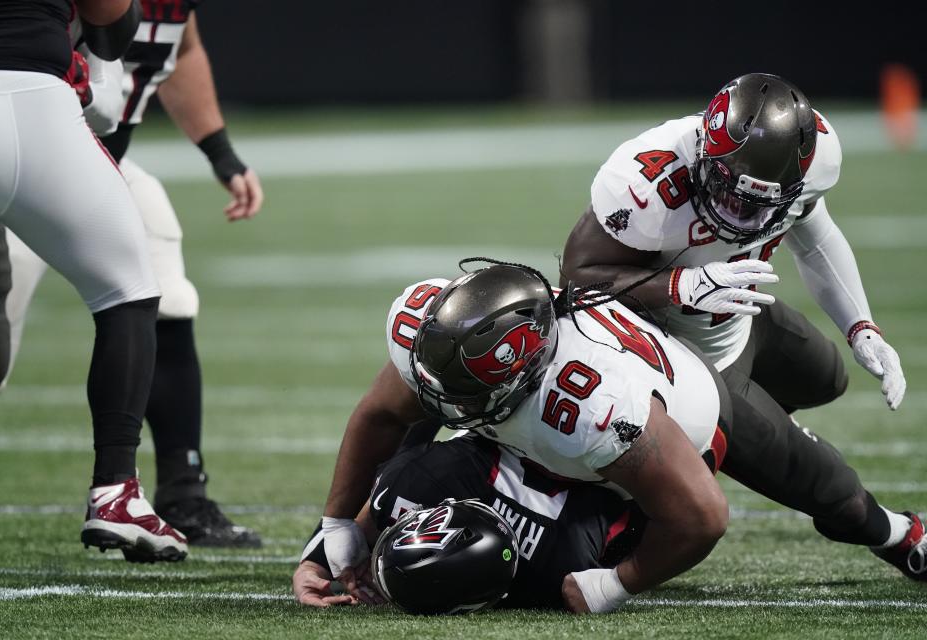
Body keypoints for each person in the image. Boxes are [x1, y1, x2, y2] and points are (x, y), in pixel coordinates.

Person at [560, 72, 922, 578]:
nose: (740, 215)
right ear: (707, 157)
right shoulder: (648, 181)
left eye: (759, 203)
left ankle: (713, 451)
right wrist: (681, 286)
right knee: (832, 488)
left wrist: (862, 326)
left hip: (737, 314)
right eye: (730, 194)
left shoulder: (812, 160)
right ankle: (904, 537)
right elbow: (577, 279)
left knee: (827, 377)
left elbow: (816, 240)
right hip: (683, 360)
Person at [0, 1, 263, 547]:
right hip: (41, 140)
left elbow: (185, 48)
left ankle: (184, 491)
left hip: (80, 160)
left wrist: (221, 153)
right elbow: (108, 30)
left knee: (164, 281)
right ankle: (116, 493)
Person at [322, 261, 735, 613]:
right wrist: (335, 531)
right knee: (402, 489)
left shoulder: (588, 403)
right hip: (551, 452)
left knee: (564, 566)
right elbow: (381, 415)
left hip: (682, 420)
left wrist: (615, 586)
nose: (446, 410)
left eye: (465, 395)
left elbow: (701, 515)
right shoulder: (432, 333)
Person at [294, 428, 648, 611]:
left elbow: (396, 416)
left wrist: (320, 557)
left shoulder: (562, 570)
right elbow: (672, 521)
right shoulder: (412, 483)